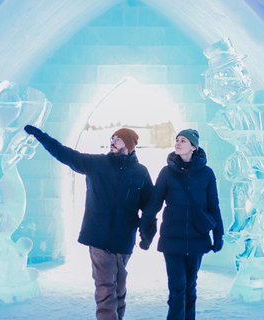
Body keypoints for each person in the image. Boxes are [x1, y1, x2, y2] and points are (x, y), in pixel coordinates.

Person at [24, 125, 153, 320]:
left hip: (124, 238)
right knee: (105, 288)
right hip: (99, 237)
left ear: (129, 144)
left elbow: (149, 206)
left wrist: (147, 234)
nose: (113, 141)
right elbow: (65, 154)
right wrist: (41, 136)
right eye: (112, 137)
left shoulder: (140, 172)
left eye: (118, 138)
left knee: (119, 288)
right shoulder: (96, 163)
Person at [139, 129, 224, 320]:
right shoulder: (167, 172)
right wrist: (144, 227)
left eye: (183, 140)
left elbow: (214, 206)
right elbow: (155, 203)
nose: (178, 143)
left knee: (190, 287)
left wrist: (218, 234)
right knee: (177, 288)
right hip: (172, 239)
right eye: (176, 140)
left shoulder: (207, 174)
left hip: (197, 238)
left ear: (193, 147)